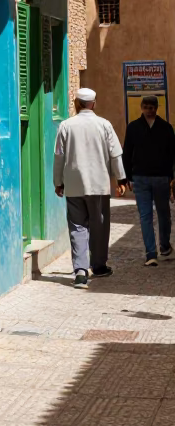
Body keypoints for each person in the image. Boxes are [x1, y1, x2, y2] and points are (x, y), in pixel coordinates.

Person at [53, 86, 127, 288]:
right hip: (99, 185)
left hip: (74, 186)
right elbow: (115, 154)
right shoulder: (104, 125)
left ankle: (80, 271)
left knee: (77, 227)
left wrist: (58, 181)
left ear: (76, 103)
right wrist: (121, 179)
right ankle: (99, 266)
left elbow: (59, 156)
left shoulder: (66, 126)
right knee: (99, 225)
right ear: (93, 103)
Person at [122, 95, 175, 265]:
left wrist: (172, 178)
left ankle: (163, 247)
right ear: (142, 107)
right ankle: (152, 252)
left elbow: (172, 155)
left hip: (160, 177)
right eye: (147, 107)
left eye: (152, 107)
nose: (149, 110)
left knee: (162, 214)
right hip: (143, 177)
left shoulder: (166, 128)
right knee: (148, 215)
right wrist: (127, 177)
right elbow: (127, 153)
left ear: (156, 108)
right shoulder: (134, 128)